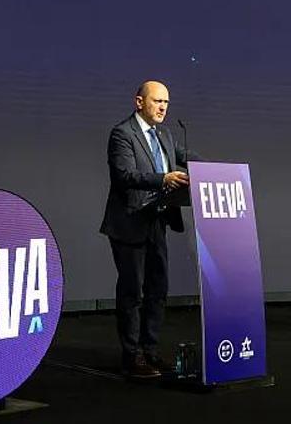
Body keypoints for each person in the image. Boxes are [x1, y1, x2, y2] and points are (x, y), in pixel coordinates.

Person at [100, 80, 193, 377]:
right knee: (132, 292)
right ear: (139, 102)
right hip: (129, 223)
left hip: (157, 221)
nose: (163, 107)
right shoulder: (122, 133)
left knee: (158, 289)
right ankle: (132, 355)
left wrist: (219, 170)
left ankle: (150, 350)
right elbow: (125, 175)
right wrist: (163, 179)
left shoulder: (164, 134)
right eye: (157, 101)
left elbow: (186, 156)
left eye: (166, 102)